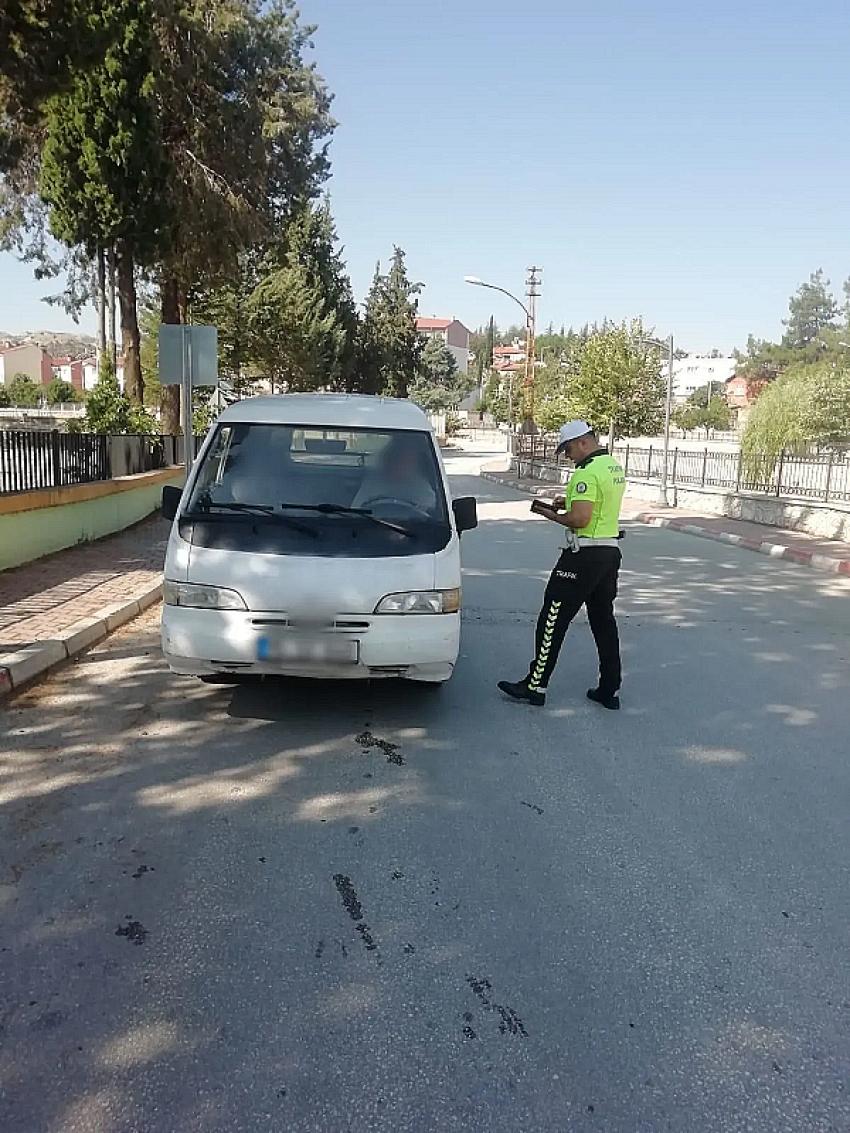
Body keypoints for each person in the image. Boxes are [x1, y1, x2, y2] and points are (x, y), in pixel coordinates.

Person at [498, 420, 626, 710]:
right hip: (608, 553)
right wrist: (566, 499)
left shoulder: (586, 473)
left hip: (583, 556)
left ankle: (535, 686)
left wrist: (550, 514)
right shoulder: (612, 467)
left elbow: (580, 519)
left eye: (567, 448)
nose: (567, 455)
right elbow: (597, 506)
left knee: (552, 618)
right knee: (603, 621)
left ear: (583, 442)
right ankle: (609, 689)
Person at [352, 435, 436, 514]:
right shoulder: (372, 482)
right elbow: (356, 510)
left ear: (415, 463)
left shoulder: (422, 488)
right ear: (387, 459)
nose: (399, 464)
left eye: (406, 460)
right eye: (396, 458)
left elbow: (428, 517)